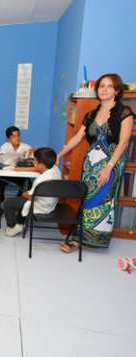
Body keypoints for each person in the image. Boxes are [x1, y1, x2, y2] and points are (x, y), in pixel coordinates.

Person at [56, 73, 134, 252]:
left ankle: (92, 238)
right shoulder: (91, 114)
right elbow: (78, 137)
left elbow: (123, 143)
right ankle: (79, 237)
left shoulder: (125, 113)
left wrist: (108, 167)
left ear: (117, 90)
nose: (104, 90)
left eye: (109, 86)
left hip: (111, 165)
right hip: (90, 164)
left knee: (102, 201)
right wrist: (60, 154)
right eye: (101, 86)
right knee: (87, 199)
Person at [3, 148, 61, 237]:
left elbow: (30, 197)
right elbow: (38, 169)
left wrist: (24, 193)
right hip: (51, 203)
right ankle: (20, 219)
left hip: (40, 205)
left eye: (34, 160)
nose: (33, 162)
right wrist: (21, 170)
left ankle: (14, 226)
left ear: (41, 165)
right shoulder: (55, 169)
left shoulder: (41, 180)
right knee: (24, 194)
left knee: (8, 202)